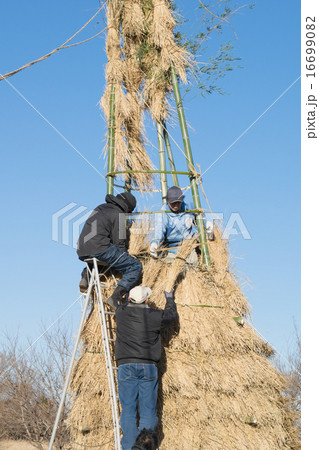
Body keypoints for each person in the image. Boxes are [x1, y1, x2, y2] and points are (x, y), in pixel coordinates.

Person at [115, 286, 178, 450]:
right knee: (148, 412)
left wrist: (122, 289)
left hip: (126, 365)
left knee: (128, 409)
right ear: (147, 300)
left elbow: (115, 300)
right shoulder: (154, 316)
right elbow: (171, 315)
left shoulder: (120, 313)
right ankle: (143, 447)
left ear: (129, 299)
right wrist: (170, 299)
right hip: (148, 366)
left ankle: (129, 447)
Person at [77, 192, 142, 309]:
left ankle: (86, 275)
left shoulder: (101, 207)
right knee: (135, 266)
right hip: (99, 247)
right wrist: (124, 258)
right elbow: (119, 244)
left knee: (103, 258)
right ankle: (116, 297)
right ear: (127, 208)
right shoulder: (119, 214)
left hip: (82, 248)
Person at [149, 186, 214, 261]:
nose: (176, 205)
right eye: (173, 203)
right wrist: (155, 242)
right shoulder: (163, 213)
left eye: (178, 202)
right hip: (171, 248)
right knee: (171, 265)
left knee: (193, 263)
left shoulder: (189, 206)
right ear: (167, 201)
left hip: (189, 245)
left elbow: (199, 216)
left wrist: (206, 223)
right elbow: (159, 230)